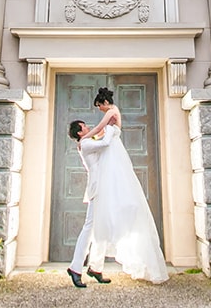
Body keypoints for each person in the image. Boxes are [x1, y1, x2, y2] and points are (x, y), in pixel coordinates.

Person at [74, 86, 169, 284]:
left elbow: (101, 130)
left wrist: (90, 134)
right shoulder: (88, 141)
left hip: (108, 171)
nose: (99, 110)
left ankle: (95, 267)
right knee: (95, 223)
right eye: (83, 127)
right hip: (100, 181)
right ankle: (85, 267)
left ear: (104, 103)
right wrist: (86, 137)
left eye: (99, 106)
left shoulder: (111, 112)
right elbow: (101, 135)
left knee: (104, 220)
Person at [66, 119, 113, 288]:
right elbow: (106, 142)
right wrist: (110, 125)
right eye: (84, 126)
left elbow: (100, 140)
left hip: (103, 186)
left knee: (101, 227)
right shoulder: (85, 144)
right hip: (97, 187)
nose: (87, 127)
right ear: (79, 132)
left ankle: (95, 268)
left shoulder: (88, 141)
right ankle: (75, 268)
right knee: (89, 227)